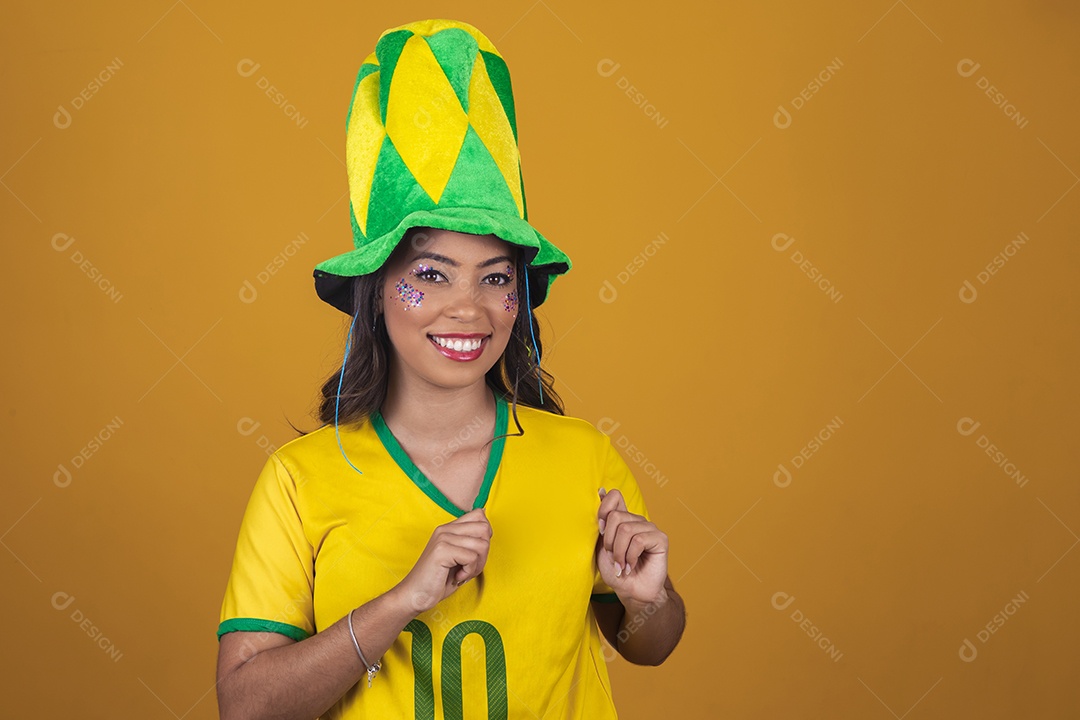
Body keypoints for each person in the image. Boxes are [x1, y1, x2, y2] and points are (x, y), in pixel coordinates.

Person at [215, 18, 686, 720]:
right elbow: (246, 707)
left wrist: (649, 599)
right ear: (376, 291)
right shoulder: (300, 479)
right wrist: (402, 601)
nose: (470, 310)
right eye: (432, 275)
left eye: (496, 280)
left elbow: (650, 645)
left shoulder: (584, 458)